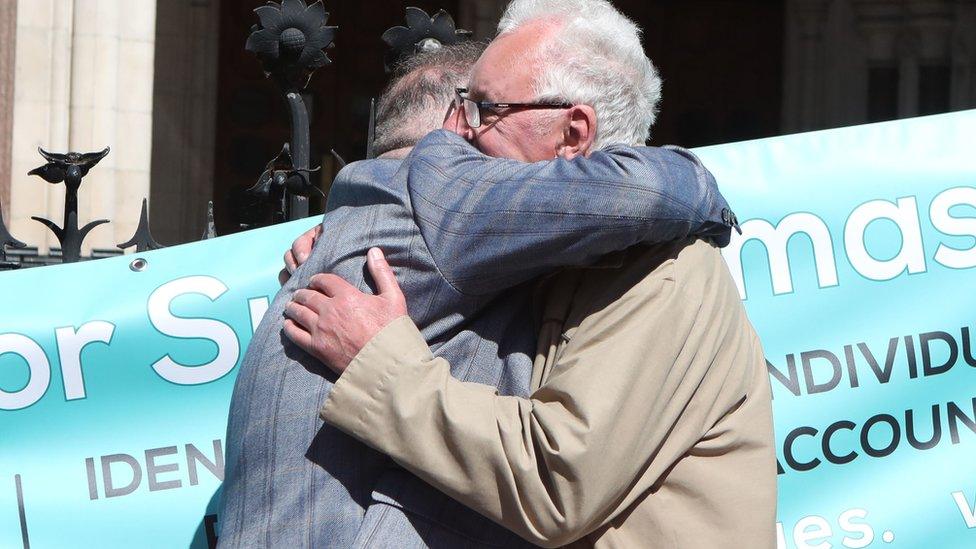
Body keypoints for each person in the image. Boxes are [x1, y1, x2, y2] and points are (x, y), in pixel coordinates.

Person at [283, 0, 777, 547]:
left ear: (573, 133)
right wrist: (355, 250)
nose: (458, 136)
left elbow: (556, 479)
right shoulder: (542, 258)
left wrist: (377, 365)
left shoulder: (664, 270)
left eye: (484, 110)